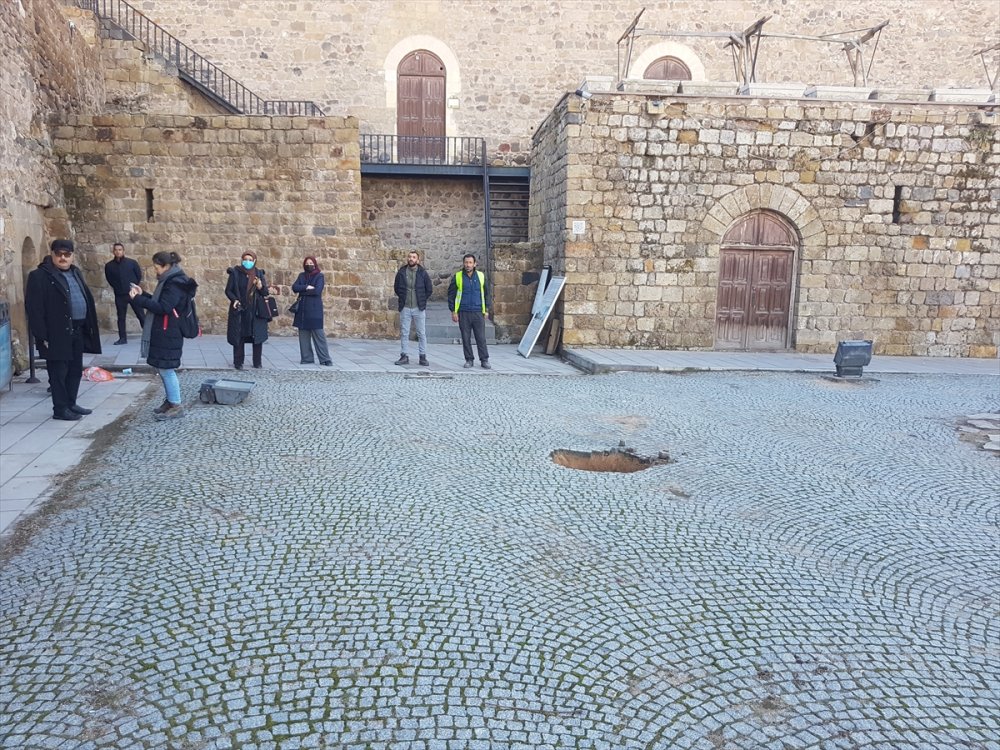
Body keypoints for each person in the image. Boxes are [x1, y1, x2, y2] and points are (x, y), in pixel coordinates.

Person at [25, 239, 102, 421]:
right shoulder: (39, 276)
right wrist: (42, 336)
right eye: (59, 254)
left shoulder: (75, 272)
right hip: (56, 332)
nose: (63, 258)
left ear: (72, 256)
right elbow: (34, 309)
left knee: (75, 370)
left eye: (67, 255)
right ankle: (60, 409)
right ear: (52, 254)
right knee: (58, 373)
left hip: (77, 329)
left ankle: (71, 403)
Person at [129, 251, 198, 421]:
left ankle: (176, 405)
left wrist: (138, 300)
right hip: (166, 332)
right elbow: (161, 302)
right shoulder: (171, 280)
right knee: (163, 368)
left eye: (157, 267)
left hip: (170, 333)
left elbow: (163, 308)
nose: (155, 271)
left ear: (166, 266)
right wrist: (143, 294)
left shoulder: (174, 283)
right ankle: (170, 401)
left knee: (167, 369)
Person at [225, 251, 273, 369]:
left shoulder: (258, 273)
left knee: (257, 337)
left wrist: (260, 287)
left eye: (250, 260)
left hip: (255, 310)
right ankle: (238, 362)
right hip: (240, 309)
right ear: (242, 260)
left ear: (254, 261)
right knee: (239, 335)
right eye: (245, 259)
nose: (248, 262)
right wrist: (234, 299)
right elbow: (228, 290)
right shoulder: (235, 273)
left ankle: (257, 362)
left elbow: (265, 292)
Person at [447, 253, 491, 369]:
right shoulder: (458, 277)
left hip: (478, 311)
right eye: (466, 262)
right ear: (463, 263)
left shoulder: (481, 276)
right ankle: (469, 359)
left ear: (475, 264)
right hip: (463, 311)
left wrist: (486, 309)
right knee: (465, 338)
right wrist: (453, 311)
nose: (468, 265)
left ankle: (484, 359)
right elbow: (451, 295)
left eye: (470, 262)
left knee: (481, 337)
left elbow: (487, 294)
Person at [393, 250, 433, 366]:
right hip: (405, 307)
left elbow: (429, 289)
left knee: (421, 333)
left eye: (414, 257)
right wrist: (402, 297)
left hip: (418, 307)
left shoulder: (422, 273)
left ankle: (423, 356)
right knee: (404, 333)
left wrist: (422, 299)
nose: (411, 259)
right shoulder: (401, 272)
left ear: (418, 260)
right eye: (410, 257)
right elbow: (397, 287)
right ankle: (404, 355)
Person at [291, 255, 332, 366]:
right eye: (307, 263)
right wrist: (306, 287)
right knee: (303, 336)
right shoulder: (301, 276)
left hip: (314, 310)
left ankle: (325, 359)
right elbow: (294, 287)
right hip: (302, 310)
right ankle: (307, 358)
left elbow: (317, 291)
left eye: (311, 263)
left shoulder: (319, 276)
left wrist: (302, 289)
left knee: (319, 335)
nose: (309, 265)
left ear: (315, 264)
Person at [103, 242, 145, 345]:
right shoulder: (109, 266)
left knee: (141, 315)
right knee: (121, 317)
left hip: (133, 293)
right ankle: (122, 338)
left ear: (123, 251)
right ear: (113, 251)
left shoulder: (132, 263)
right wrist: (117, 287)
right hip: (120, 295)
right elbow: (109, 279)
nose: (118, 251)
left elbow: (138, 275)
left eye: (120, 249)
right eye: (116, 250)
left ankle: (149, 335)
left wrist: (134, 287)